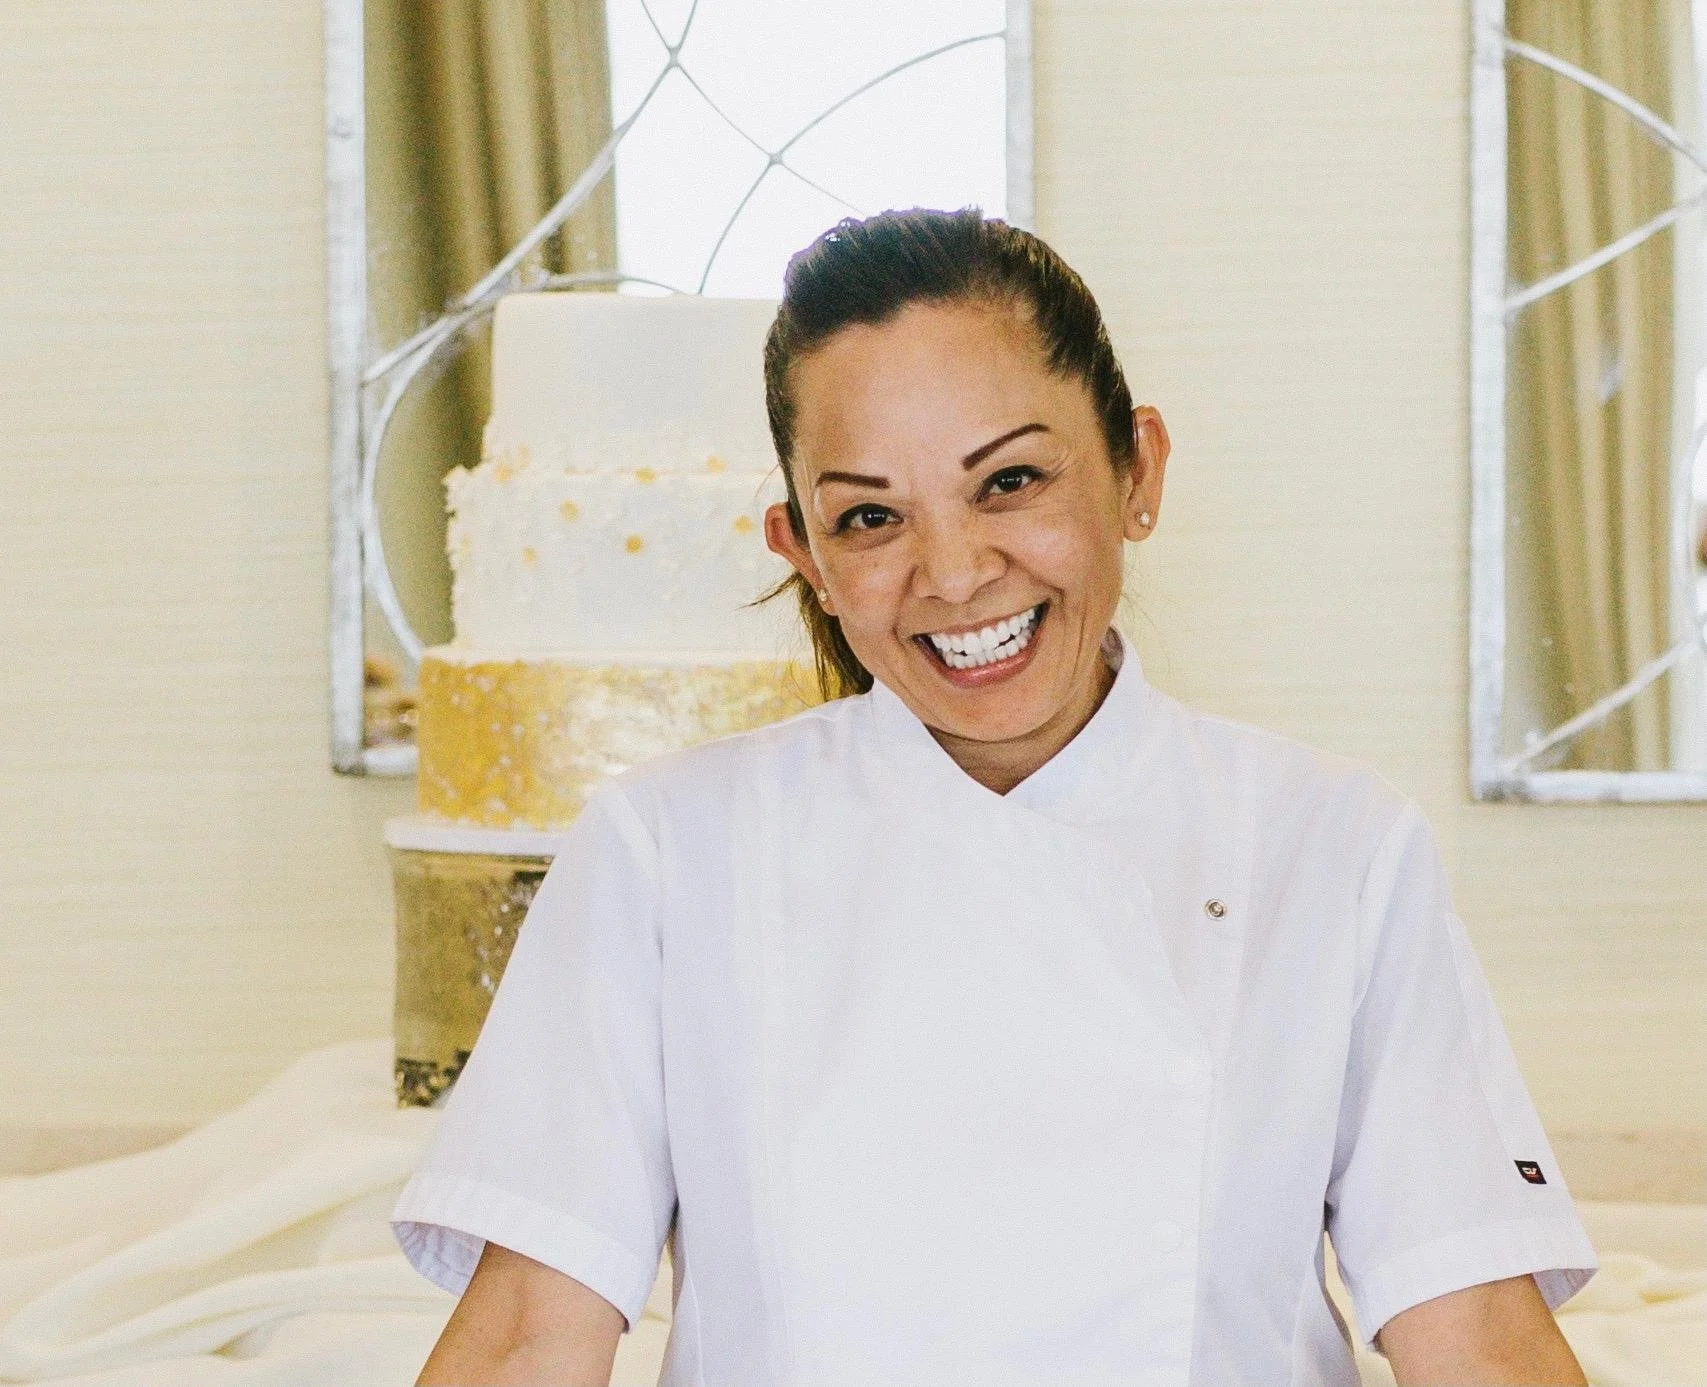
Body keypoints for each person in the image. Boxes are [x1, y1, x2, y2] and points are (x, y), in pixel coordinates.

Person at [392, 209, 1597, 1386]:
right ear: (802, 550)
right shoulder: (667, 850)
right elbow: (525, 1336)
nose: (958, 574)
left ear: (1139, 469)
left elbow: (1476, 1331)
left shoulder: (1331, 842)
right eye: (871, 517)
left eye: (1010, 480)